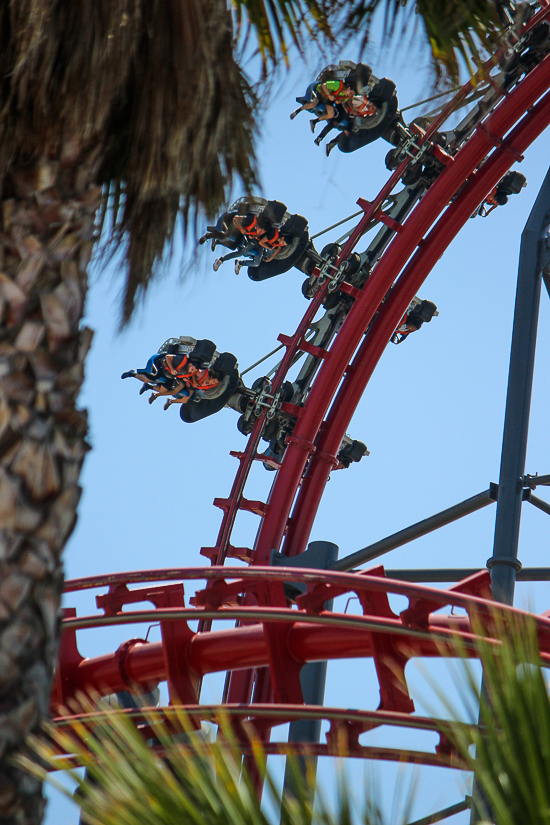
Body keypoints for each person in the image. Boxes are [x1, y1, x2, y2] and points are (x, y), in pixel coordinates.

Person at [122, 352, 221, 410]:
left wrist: (197, 385)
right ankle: (132, 374)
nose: (211, 383)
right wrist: (172, 369)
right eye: (191, 369)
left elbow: (193, 378)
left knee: (167, 391)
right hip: (161, 366)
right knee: (148, 378)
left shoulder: (196, 375)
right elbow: (167, 357)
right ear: (190, 365)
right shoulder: (182, 361)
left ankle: (150, 388)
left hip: (172, 376)